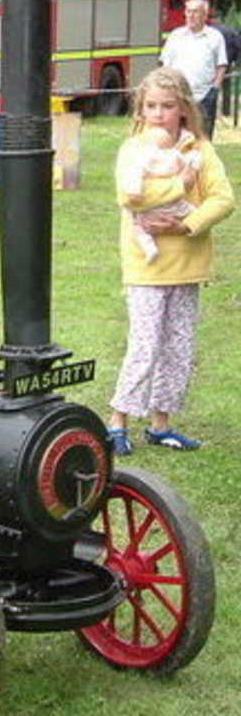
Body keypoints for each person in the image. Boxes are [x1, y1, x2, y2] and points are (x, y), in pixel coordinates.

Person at [107, 67, 235, 456]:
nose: (159, 113)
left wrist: (187, 224)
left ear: (184, 108)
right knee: (145, 344)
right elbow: (132, 197)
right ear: (140, 109)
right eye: (151, 106)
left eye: (167, 106)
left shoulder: (200, 150)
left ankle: (162, 424)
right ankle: (119, 419)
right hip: (147, 265)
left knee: (179, 346)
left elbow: (223, 198)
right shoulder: (134, 149)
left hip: (188, 262)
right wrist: (178, 185)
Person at [121, 125, 200, 264]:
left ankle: (150, 248)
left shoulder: (144, 157)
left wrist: (135, 191)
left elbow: (133, 181)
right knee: (194, 212)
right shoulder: (175, 154)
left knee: (139, 227)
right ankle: (195, 223)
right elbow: (188, 169)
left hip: (151, 212)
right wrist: (193, 165)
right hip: (177, 206)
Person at [160, 0, 227, 139]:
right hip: (177, 96)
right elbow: (165, 66)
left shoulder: (215, 37)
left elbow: (221, 65)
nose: (191, 15)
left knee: (203, 139)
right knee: (176, 137)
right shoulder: (175, 36)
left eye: (195, 12)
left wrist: (214, 89)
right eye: (188, 11)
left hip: (204, 97)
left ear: (204, 15)